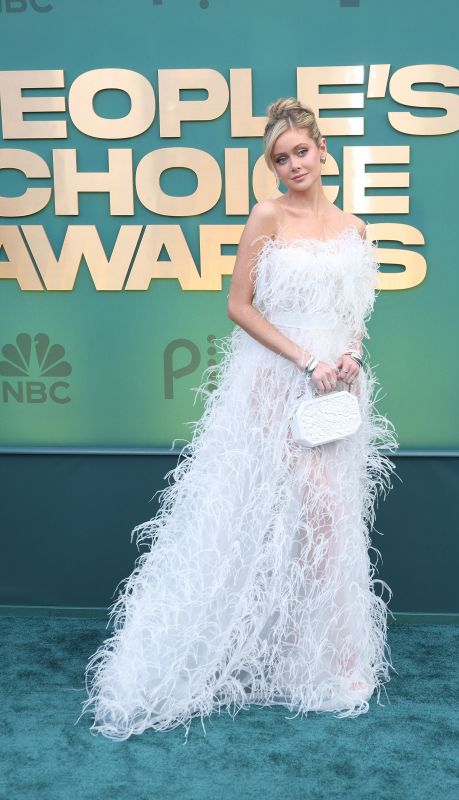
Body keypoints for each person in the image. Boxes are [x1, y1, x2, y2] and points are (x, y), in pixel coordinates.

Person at [79, 97, 398, 742]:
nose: (293, 165)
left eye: (301, 152)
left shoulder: (354, 227)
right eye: (280, 159)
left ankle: (328, 663)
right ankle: (240, 651)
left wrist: (349, 355)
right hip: (274, 384)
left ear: (321, 149)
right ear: (273, 168)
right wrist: (306, 359)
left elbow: (355, 309)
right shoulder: (266, 215)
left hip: (338, 386)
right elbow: (239, 305)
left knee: (331, 520)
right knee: (275, 514)